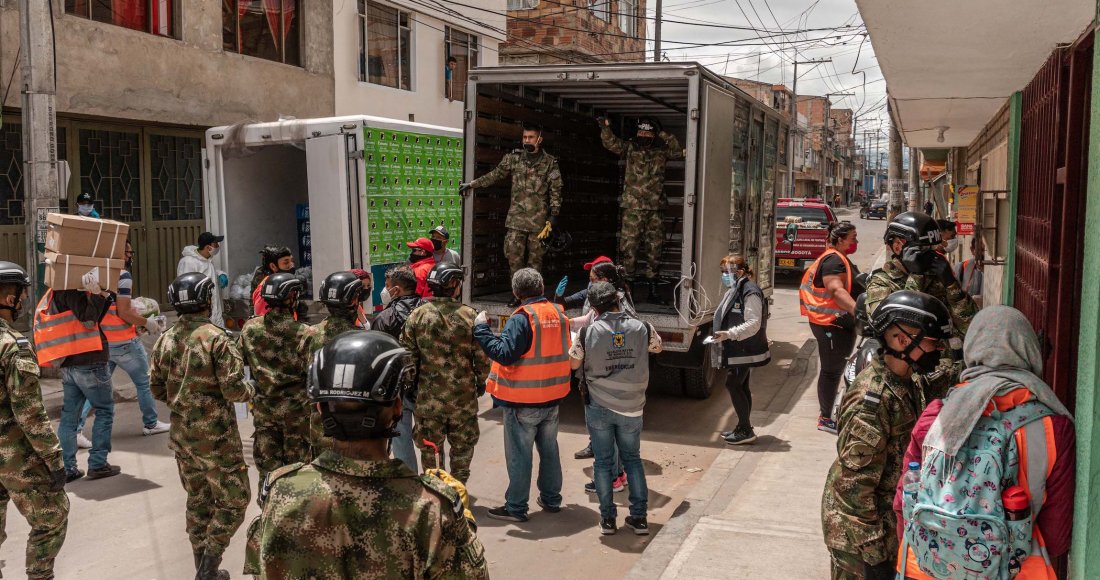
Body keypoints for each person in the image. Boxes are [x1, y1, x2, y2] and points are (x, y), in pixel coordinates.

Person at [244, 331, 489, 578]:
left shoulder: (280, 493)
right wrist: (462, 521)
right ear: (397, 407)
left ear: (320, 408)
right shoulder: (432, 509)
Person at [892, 306, 1074, 579]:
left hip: (925, 568)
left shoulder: (936, 416)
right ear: (1029, 352)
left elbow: (903, 504)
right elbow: (1057, 538)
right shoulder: (1053, 428)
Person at [820, 291, 952, 580]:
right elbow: (853, 488)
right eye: (932, 342)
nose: (938, 349)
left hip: (886, 528)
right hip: (859, 539)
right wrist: (875, 558)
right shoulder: (873, 401)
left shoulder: (908, 378)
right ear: (902, 340)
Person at [149, 272, 253, 580]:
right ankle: (207, 569)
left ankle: (202, 567)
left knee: (198, 500)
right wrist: (253, 391)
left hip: (182, 436)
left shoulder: (164, 339)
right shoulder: (216, 338)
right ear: (207, 301)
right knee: (235, 500)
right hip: (217, 438)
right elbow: (235, 391)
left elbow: (155, 388)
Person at [473, 268, 571, 522]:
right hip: (552, 396)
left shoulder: (522, 318)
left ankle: (516, 507)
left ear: (516, 292)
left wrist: (482, 330)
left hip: (523, 401)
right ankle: (551, 499)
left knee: (520, 454)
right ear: (540, 288)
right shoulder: (558, 314)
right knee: (549, 450)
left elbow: (504, 354)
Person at [570, 282, 661, 535]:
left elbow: (573, 363)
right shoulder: (643, 327)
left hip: (599, 405)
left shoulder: (587, 333)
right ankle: (639, 518)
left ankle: (608, 519)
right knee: (632, 460)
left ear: (594, 309)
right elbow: (657, 347)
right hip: (633, 406)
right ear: (618, 301)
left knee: (603, 462)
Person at [0, 262, 69, 580]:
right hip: (13, 454)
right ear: (8, 297)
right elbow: (30, 414)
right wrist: (54, 460)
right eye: (22, 293)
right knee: (52, 517)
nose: (25, 299)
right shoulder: (13, 347)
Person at [865, 212, 977, 401]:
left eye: (933, 248)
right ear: (899, 246)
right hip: (909, 376)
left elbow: (971, 327)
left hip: (946, 375)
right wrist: (915, 277)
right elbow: (897, 325)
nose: (932, 255)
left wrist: (951, 285)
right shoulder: (881, 283)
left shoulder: (937, 278)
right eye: (923, 249)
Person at [401, 262, 490, 484]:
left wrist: (411, 387)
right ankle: (459, 500)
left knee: (431, 459)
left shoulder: (417, 316)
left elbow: (407, 358)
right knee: (462, 455)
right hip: (463, 402)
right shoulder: (470, 316)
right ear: (452, 284)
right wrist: (480, 382)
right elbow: (482, 358)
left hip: (428, 402)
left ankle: (436, 500)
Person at [75, 239, 169, 445]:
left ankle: (77, 429)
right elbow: (124, 311)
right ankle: (151, 423)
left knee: (95, 388)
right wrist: (148, 323)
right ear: (118, 254)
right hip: (125, 342)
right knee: (144, 382)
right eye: (127, 252)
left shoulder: (94, 274)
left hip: (105, 341)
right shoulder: (122, 275)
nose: (129, 256)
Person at [33, 274, 121, 481]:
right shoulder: (70, 289)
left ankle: (68, 468)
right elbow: (89, 319)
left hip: (69, 364)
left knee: (69, 417)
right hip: (89, 361)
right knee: (105, 410)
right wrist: (99, 295)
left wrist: (104, 296)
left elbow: (89, 316)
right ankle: (98, 463)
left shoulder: (53, 292)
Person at [460, 122, 564, 283]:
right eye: (525, 137)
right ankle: (517, 294)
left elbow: (556, 190)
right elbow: (495, 174)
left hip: (538, 223)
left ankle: (531, 294)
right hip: (516, 221)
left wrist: (553, 216)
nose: (527, 140)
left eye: (531, 137)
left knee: (535, 263)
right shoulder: (514, 158)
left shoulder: (550, 163)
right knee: (514, 259)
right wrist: (473, 184)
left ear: (539, 140)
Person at [238, 273, 312, 490]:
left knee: (269, 472)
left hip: (264, 412)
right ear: (291, 297)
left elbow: (238, 362)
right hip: (298, 414)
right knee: (298, 472)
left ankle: (268, 515)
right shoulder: (305, 333)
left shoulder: (250, 329)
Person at [599, 117, 684, 302]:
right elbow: (610, 143)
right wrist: (605, 128)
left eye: (648, 133)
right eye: (641, 132)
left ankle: (653, 292)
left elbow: (677, 152)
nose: (644, 136)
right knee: (629, 250)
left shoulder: (661, 152)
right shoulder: (630, 148)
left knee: (655, 251)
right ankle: (628, 293)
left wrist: (662, 133)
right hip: (633, 210)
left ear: (653, 136)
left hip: (655, 210)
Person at [799, 222, 860, 433]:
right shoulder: (834, 260)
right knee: (831, 372)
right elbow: (836, 290)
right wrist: (860, 312)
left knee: (833, 370)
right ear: (841, 240)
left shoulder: (835, 257)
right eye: (853, 238)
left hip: (831, 323)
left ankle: (828, 413)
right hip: (832, 324)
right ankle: (825, 418)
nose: (856, 242)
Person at [300, 271, 367, 453]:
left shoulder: (309, 334)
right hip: (354, 428)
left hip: (320, 426)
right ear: (354, 300)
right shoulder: (361, 340)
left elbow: (302, 373)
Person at [710, 254, 771, 445]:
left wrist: (729, 334)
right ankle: (744, 427)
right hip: (738, 347)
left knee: (734, 385)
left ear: (740, 272)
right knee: (741, 385)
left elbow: (753, 322)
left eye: (726, 273)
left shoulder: (749, 291)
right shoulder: (737, 287)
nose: (724, 276)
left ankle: (745, 430)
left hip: (743, 348)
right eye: (722, 273)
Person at [374, 264, 424, 471]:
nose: (384, 291)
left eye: (387, 286)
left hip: (397, 391)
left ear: (397, 290)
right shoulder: (428, 311)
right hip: (429, 389)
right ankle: (437, 486)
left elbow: (377, 358)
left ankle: (409, 484)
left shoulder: (385, 318)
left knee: (401, 439)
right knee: (432, 443)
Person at [177, 231, 226, 328]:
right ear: (208, 247)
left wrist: (220, 274)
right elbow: (185, 287)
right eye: (215, 244)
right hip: (199, 313)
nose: (217, 246)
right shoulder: (188, 262)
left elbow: (207, 273)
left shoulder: (206, 260)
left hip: (214, 309)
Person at [250, 245, 296, 318]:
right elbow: (265, 320)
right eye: (286, 263)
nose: (291, 265)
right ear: (273, 266)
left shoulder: (282, 284)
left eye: (292, 261)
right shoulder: (267, 289)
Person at [954, 237, 984, 307]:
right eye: (981, 250)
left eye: (985, 250)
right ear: (972, 250)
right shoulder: (962, 268)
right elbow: (953, 298)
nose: (984, 254)